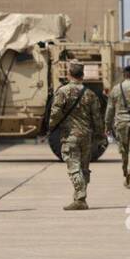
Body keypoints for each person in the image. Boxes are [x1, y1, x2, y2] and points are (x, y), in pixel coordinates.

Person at [47, 61, 104, 210]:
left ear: (69, 74)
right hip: (86, 135)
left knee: (73, 166)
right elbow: (97, 117)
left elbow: (55, 112)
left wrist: (52, 126)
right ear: (82, 75)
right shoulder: (90, 94)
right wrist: (99, 134)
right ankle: (80, 197)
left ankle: (80, 198)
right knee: (84, 168)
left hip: (70, 135)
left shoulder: (63, 91)